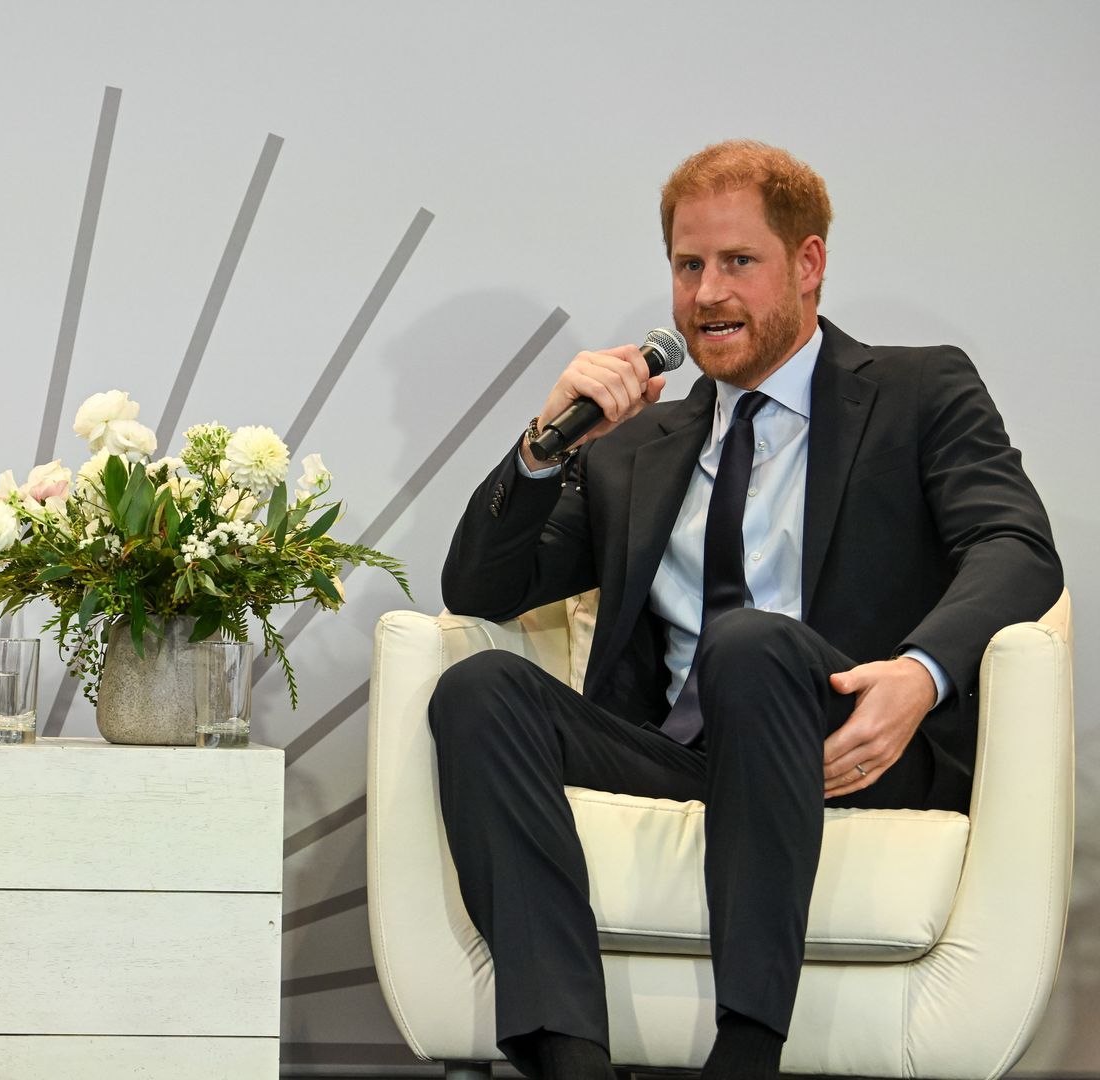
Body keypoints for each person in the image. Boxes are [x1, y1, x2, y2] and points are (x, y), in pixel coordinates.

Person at [428, 141, 1061, 1080]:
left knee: (749, 643)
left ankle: (747, 1052)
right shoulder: (633, 446)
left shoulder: (918, 391)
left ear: (807, 265)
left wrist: (918, 677)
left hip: (844, 746)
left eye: (738, 262)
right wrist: (541, 444)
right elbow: (478, 589)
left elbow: (1018, 548)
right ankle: (569, 1058)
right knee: (480, 690)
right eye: (689, 266)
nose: (708, 293)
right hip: (684, 754)